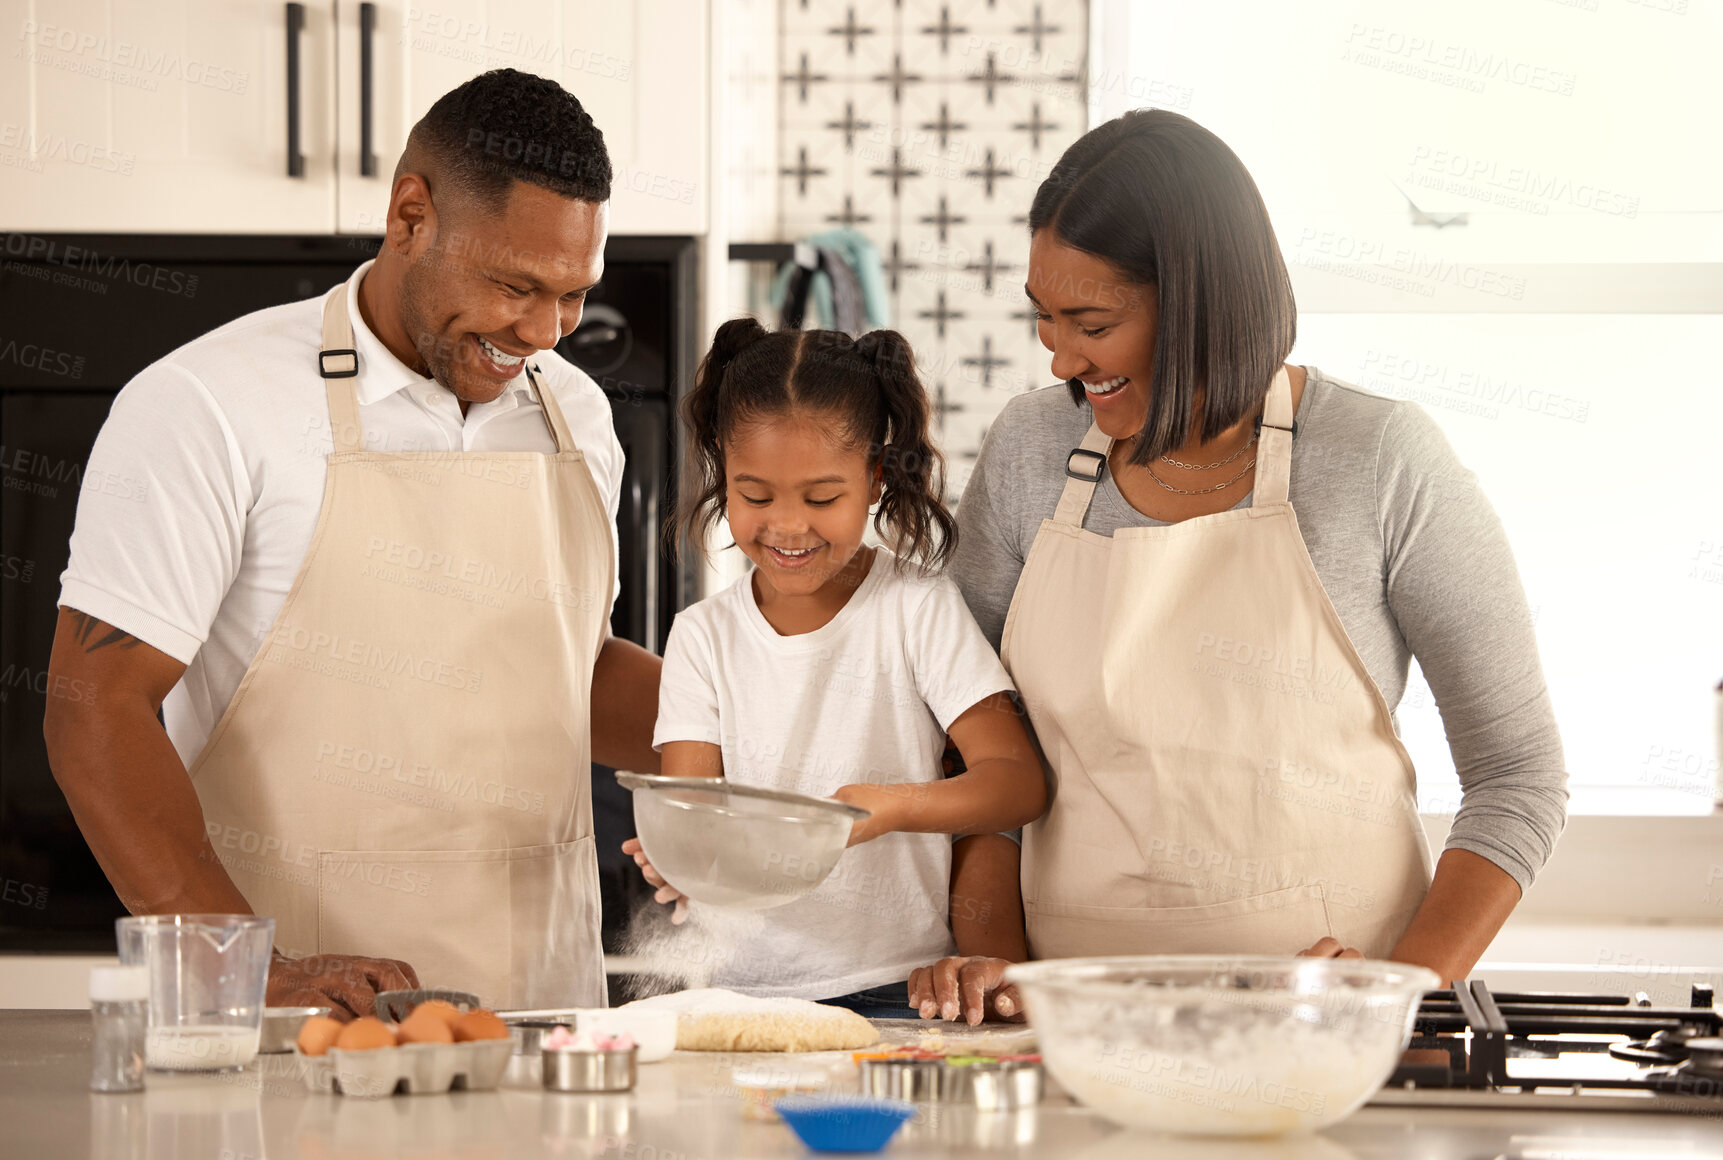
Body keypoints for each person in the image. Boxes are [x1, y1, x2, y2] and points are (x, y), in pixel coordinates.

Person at [908, 110, 1569, 1024]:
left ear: (1198, 304)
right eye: (1044, 319)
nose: (1059, 357)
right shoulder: (1031, 449)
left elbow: (1518, 777)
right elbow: (968, 757)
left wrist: (1400, 993)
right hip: (1072, 1038)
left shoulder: (1378, 460)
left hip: (1325, 1045)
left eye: (1090, 321)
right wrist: (988, 957)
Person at [44, 70, 663, 1016]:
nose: (541, 332)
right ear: (410, 215)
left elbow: (557, 668)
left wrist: (759, 736)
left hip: (543, 1011)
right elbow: (95, 708)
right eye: (513, 286)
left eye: (573, 295)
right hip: (297, 1019)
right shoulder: (208, 402)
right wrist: (249, 970)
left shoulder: (574, 412)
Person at [622, 319, 1047, 1017]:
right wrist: (682, 858)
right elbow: (693, 815)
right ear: (721, 474)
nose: (787, 527)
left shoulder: (916, 608)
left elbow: (1016, 784)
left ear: (875, 479)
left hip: (899, 989)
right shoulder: (701, 636)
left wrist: (890, 808)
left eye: (821, 498)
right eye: (754, 495)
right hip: (741, 994)